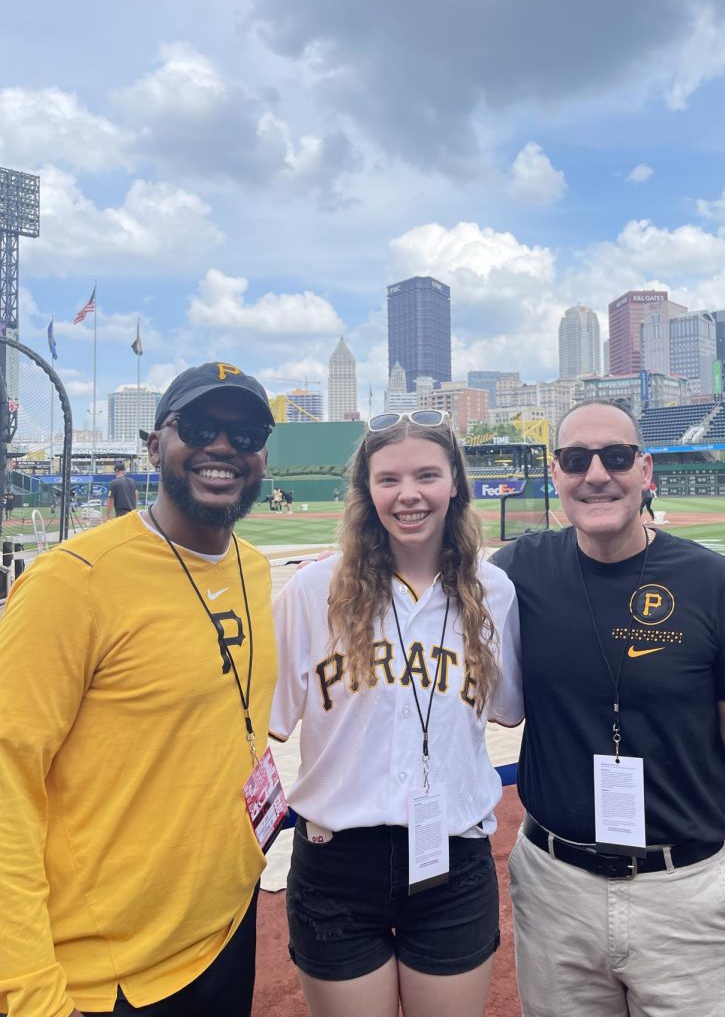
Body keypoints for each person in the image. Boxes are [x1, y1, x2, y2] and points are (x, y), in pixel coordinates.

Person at [491, 400, 725, 1017]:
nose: (596, 475)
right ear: (555, 474)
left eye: (615, 457)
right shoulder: (517, 570)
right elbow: (426, 592)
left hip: (683, 890)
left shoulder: (712, 581)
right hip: (556, 887)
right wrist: (349, 567)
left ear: (645, 469)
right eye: (575, 459)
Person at [0, 361, 279, 1017]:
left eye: (246, 434)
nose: (222, 447)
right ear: (154, 446)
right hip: (107, 978)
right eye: (201, 427)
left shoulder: (257, 570)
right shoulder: (71, 584)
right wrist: (31, 992)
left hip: (223, 934)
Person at [270, 409, 520, 1017]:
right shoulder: (313, 591)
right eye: (388, 480)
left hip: (453, 859)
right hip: (337, 863)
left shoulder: (493, 592)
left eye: (427, 475)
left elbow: (508, 709)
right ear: (366, 492)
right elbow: (262, 721)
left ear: (455, 483)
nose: (408, 495)